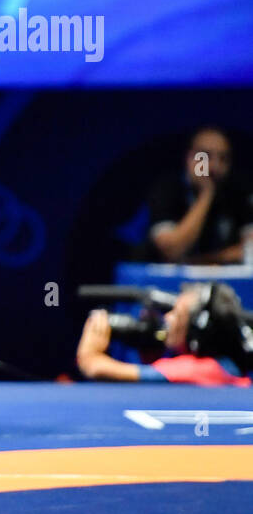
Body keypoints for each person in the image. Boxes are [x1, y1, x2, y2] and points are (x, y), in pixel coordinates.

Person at [77, 283, 252, 387]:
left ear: (197, 332)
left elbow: (95, 368)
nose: (167, 318)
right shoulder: (224, 366)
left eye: (177, 314)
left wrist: (90, 350)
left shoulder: (200, 369)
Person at [144, 127, 253, 265]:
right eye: (205, 156)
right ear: (190, 158)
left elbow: (250, 250)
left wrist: (203, 261)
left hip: (225, 281)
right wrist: (206, 194)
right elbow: (172, 249)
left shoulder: (238, 190)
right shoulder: (167, 189)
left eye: (223, 158)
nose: (214, 166)